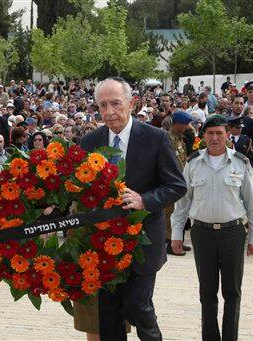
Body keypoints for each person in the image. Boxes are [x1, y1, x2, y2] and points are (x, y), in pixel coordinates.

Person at [79, 77, 186, 341]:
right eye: (103, 105)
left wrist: (144, 200)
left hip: (144, 241)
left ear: (131, 103)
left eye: (115, 103)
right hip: (103, 243)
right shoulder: (89, 142)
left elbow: (176, 185)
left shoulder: (156, 138)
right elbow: (77, 187)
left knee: (138, 305)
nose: (109, 111)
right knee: (110, 312)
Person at [171, 114, 253, 341]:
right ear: (203, 136)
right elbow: (182, 203)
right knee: (207, 293)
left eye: (219, 133)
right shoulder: (193, 163)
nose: (215, 138)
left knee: (232, 292)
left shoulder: (240, 162)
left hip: (233, 233)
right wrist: (176, 233)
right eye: (210, 133)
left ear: (227, 135)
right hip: (202, 233)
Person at [166, 111, 193, 256]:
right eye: (185, 124)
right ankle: (171, 242)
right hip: (172, 180)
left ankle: (178, 240)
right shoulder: (169, 139)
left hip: (180, 178)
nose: (187, 127)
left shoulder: (179, 138)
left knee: (180, 210)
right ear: (178, 124)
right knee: (172, 211)